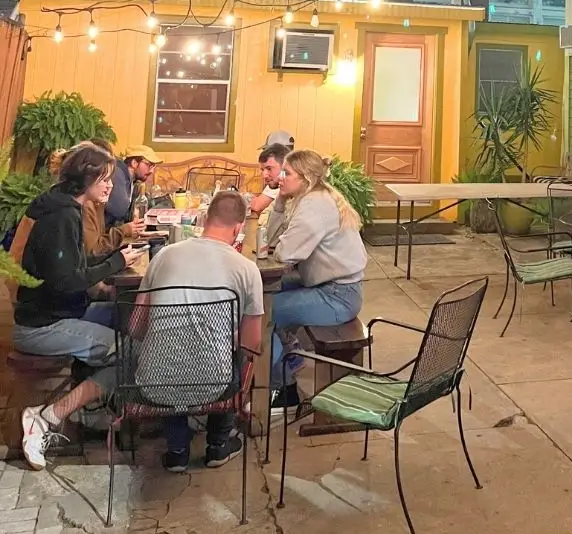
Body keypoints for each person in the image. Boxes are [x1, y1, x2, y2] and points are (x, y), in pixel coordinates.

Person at [18, 145, 143, 470]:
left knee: (125, 318)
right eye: (104, 179)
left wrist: (108, 275)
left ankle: (92, 410)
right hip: (42, 324)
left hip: (57, 312)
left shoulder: (65, 206)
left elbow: (71, 266)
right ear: (86, 178)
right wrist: (116, 262)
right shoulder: (62, 216)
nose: (110, 185)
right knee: (132, 354)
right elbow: (67, 281)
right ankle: (47, 417)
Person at [132, 190, 264, 471]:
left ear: (204, 219)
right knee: (236, 356)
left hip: (154, 383)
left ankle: (177, 450)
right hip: (215, 385)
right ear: (239, 228)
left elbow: (136, 327)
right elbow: (252, 343)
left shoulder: (164, 255)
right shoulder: (247, 269)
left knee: (167, 349)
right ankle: (217, 445)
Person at [269, 149, 367, 412]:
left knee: (262, 312)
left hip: (337, 296)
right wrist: (280, 202)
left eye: (287, 173)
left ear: (305, 179)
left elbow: (284, 253)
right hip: (327, 286)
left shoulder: (314, 206)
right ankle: (288, 360)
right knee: (264, 295)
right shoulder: (312, 198)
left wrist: (278, 243)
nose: (280, 177)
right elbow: (273, 241)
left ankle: (282, 389)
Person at [105, 144, 161, 227]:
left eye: (153, 166)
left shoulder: (130, 179)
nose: (152, 171)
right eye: (149, 165)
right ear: (134, 163)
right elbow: (119, 211)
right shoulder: (118, 175)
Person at [248, 138, 292, 216]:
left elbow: (257, 207)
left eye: (269, 168)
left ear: (285, 166)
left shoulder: (301, 196)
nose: (264, 175)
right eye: (262, 170)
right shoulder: (279, 188)